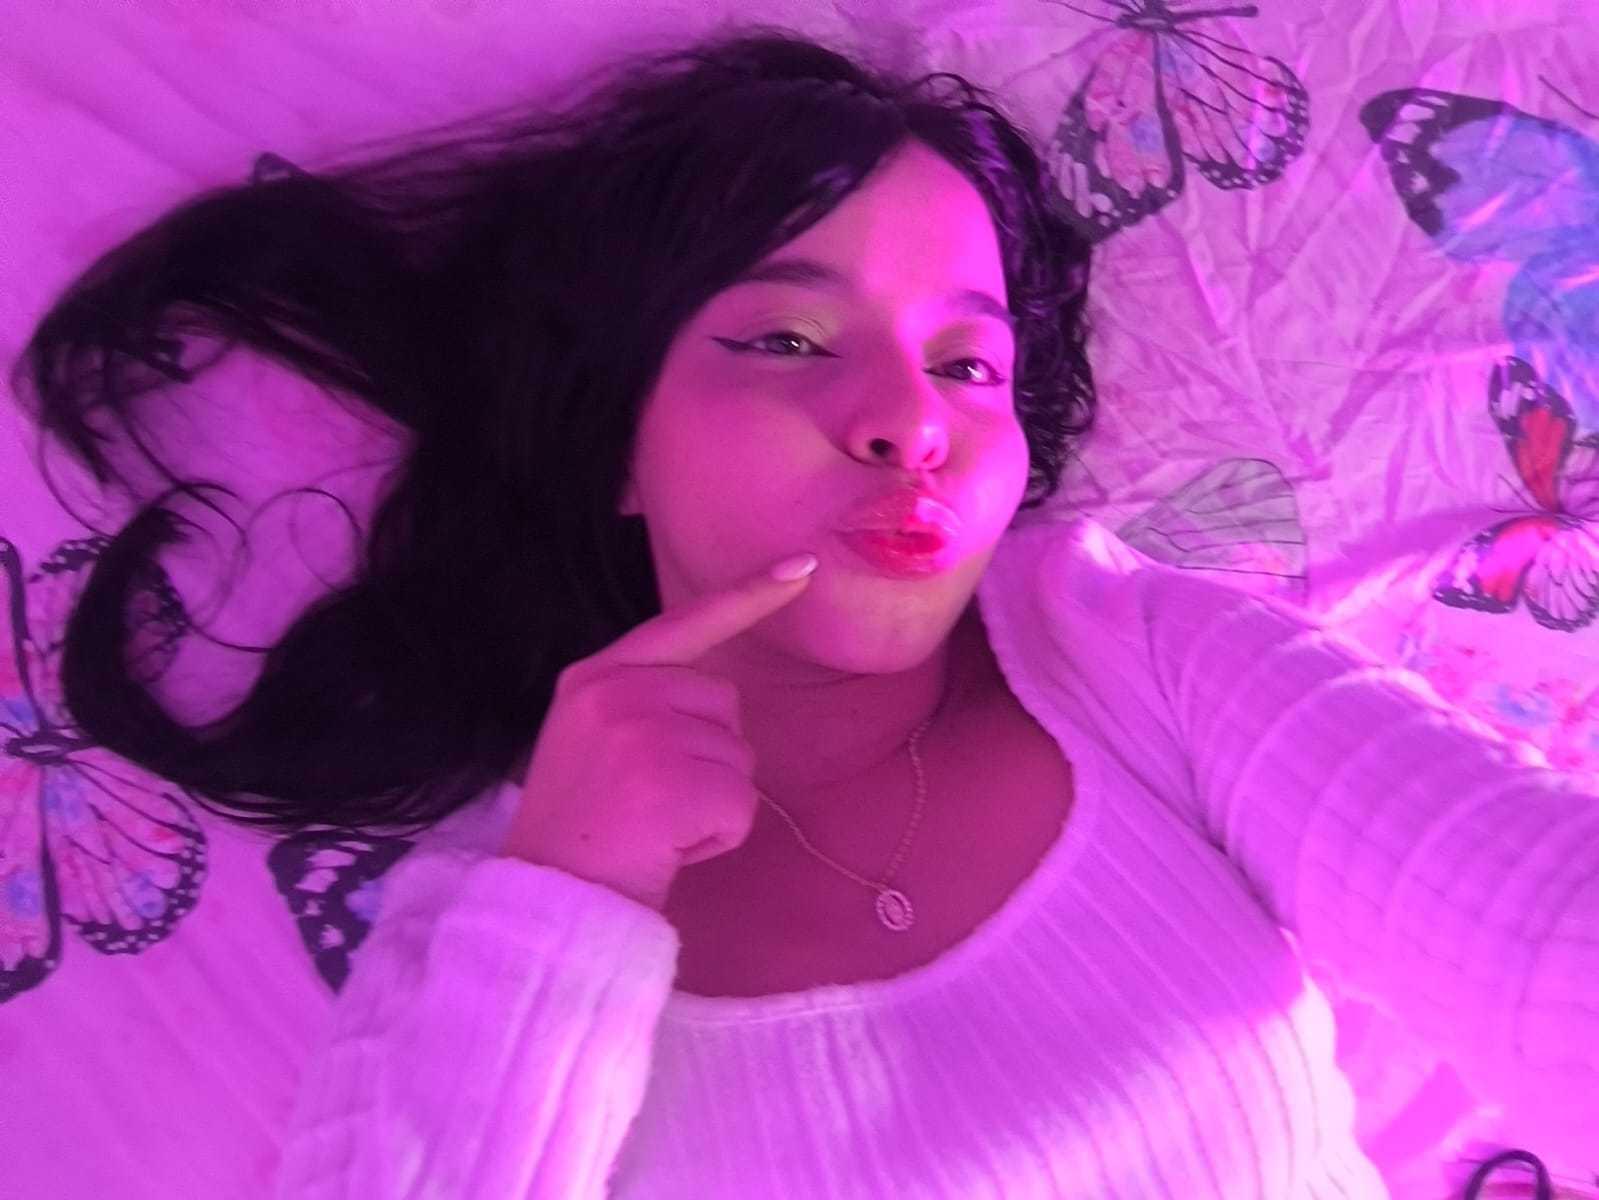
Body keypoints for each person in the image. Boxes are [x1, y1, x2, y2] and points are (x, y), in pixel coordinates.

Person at [5, 22, 1594, 1200]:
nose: (910, 422)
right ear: (615, 445)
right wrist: (566, 903)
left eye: (967, 363)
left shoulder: (1135, 651)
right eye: (783, 341)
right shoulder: (481, 921)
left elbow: (1541, 937)